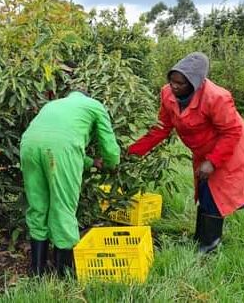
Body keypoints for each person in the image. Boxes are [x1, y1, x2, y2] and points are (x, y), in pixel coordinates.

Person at [128, 52, 244, 253]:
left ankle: (209, 246)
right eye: (172, 81)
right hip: (203, 152)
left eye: (180, 84)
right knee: (207, 192)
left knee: (217, 195)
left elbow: (232, 131)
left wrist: (213, 161)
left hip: (229, 150)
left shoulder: (216, 97)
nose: (174, 87)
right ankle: (200, 239)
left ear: (195, 83)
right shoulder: (167, 94)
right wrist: (133, 152)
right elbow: (161, 128)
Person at [21, 86, 120, 276]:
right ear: (87, 97)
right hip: (60, 150)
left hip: (28, 146)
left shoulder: (54, 104)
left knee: (38, 205)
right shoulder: (94, 105)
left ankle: (37, 271)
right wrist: (112, 163)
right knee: (63, 207)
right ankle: (63, 273)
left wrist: (91, 162)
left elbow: (55, 138)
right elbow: (109, 147)